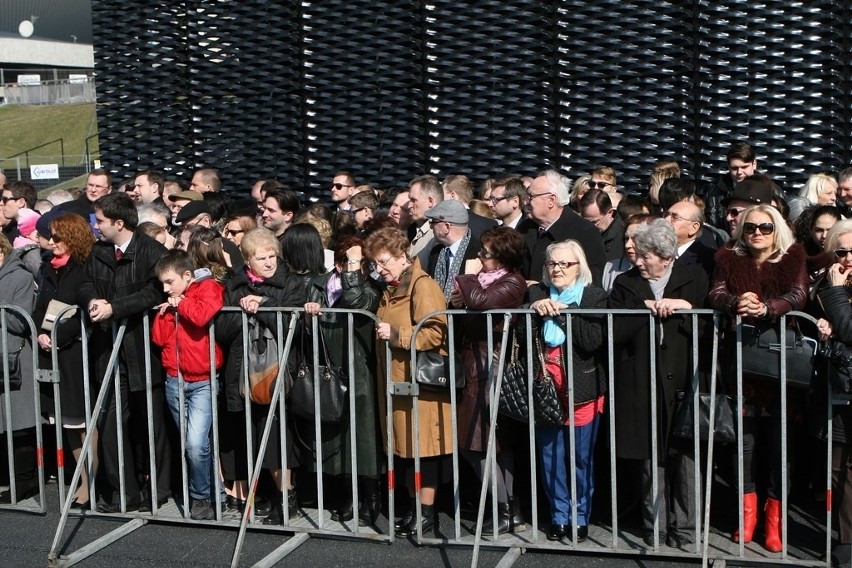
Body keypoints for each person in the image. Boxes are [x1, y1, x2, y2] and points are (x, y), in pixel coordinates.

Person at [708, 204, 808, 552]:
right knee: (745, 445)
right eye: (750, 227)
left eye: (765, 227)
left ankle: (774, 521)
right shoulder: (728, 258)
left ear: (776, 228)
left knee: (781, 446)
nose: (757, 233)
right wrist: (737, 301)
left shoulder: (793, 256)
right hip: (744, 364)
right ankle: (747, 516)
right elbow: (716, 293)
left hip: (781, 366)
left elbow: (799, 295)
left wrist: (768, 308)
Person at [609, 219, 709, 548]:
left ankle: (686, 530)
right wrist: (643, 308)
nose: (638, 262)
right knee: (651, 459)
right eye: (638, 254)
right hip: (641, 380)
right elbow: (615, 330)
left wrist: (687, 307)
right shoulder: (626, 284)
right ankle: (655, 529)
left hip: (683, 377)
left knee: (685, 458)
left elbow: (709, 326)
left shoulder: (693, 279)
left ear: (667, 258)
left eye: (646, 256)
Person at [78, 192, 170, 513]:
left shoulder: (151, 251)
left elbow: (155, 291)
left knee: (152, 426)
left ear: (119, 223)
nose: (95, 226)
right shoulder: (99, 251)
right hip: (110, 352)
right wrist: (93, 302)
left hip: (143, 351)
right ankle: (124, 493)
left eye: (100, 221)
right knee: (112, 425)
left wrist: (114, 308)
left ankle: (157, 492)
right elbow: (86, 283)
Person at [365, 227, 452, 537]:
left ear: (403, 256)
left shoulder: (423, 285)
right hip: (397, 383)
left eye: (384, 261)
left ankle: (426, 513)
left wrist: (398, 335)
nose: (379, 268)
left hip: (419, 385)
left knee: (423, 451)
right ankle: (416, 509)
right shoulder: (393, 287)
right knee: (406, 450)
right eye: (375, 263)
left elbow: (436, 333)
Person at [216, 228, 306, 524]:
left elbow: (290, 326)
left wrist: (262, 306)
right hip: (243, 372)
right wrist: (242, 309)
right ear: (247, 260)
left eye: (272, 257)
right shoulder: (236, 284)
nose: (268, 263)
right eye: (261, 258)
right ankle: (268, 495)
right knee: (253, 436)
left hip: (277, 370)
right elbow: (223, 330)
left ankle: (286, 497)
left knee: (278, 438)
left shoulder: (291, 282)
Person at [528, 240, 608, 542]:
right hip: (546, 390)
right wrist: (534, 308)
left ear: (579, 267)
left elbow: (591, 341)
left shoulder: (594, 297)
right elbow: (522, 333)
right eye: (552, 264)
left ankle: (580, 515)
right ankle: (559, 516)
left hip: (582, 390)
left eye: (565, 264)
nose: (557, 269)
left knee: (580, 458)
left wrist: (563, 313)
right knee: (550, 457)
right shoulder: (536, 294)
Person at [449, 227, 527, 535]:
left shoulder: (512, 282)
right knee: (486, 444)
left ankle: (505, 508)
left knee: (476, 444)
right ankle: (509, 509)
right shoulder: (485, 281)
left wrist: (465, 278)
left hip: (491, 367)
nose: (479, 257)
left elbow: (480, 301)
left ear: (503, 257)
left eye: (485, 253)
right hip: (474, 364)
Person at [303, 235, 383, 525]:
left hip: (361, 365)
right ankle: (348, 495)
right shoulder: (316, 284)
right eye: (348, 261)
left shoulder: (371, 284)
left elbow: (357, 301)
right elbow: (306, 333)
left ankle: (371, 496)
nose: (356, 267)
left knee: (364, 433)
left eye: (360, 262)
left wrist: (354, 270)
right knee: (337, 432)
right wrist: (309, 317)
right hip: (329, 365)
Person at [152, 249, 225, 521]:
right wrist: (166, 312)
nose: (164, 288)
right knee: (194, 445)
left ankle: (201, 496)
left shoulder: (209, 288)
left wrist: (179, 304)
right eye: (162, 283)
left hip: (203, 379)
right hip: (175, 378)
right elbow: (159, 339)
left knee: (196, 445)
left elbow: (202, 315)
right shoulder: (173, 301)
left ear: (186, 276)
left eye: (169, 282)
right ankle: (214, 493)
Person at [33, 214, 97, 508]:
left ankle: (92, 481)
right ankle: (82, 478)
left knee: (83, 420)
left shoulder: (84, 268)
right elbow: (40, 306)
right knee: (66, 422)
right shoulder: (48, 267)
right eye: (51, 236)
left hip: (76, 352)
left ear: (72, 237)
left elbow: (82, 311)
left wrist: (57, 335)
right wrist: (40, 333)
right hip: (51, 352)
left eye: (58, 237)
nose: (51, 241)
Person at [813, 219, 852, 567]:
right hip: (836, 386)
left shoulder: (836, 288)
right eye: (842, 251)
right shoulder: (824, 283)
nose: (849, 257)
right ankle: (845, 538)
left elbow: (851, 329)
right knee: (839, 467)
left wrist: (837, 296)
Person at [518, 170, 607, 287]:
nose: (525, 201)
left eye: (531, 196)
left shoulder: (585, 232)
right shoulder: (524, 229)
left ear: (551, 200)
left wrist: (542, 289)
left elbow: (591, 282)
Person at [0, 234, 38, 503]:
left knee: (20, 423)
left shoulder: (19, 277)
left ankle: (24, 482)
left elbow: (20, 323)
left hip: (16, 358)